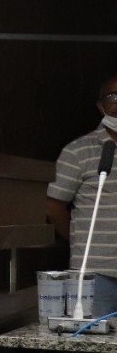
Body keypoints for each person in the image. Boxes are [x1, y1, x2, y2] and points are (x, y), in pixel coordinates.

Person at [47, 74, 117, 319]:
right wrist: (80, 241)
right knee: (92, 338)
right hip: (94, 273)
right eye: (113, 96)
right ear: (100, 106)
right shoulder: (77, 151)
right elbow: (54, 207)